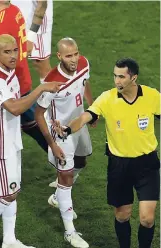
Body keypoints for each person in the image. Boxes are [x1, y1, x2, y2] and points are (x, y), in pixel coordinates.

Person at [53, 58, 160, 248]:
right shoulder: (107, 98)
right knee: (122, 215)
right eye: (115, 76)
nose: (116, 81)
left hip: (147, 164)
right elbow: (86, 117)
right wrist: (68, 129)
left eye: (121, 77)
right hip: (119, 165)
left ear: (133, 77)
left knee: (147, 218)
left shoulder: (152, 96)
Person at [0, 34, 63, 248]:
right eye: (7, 52)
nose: (13, 56)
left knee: (13, 189)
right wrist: (41, 88)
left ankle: (9, 240)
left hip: (11, 142)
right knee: (7, 194)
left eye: (15, 50)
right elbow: (15, 107)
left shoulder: (9, 71)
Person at [0, 0, 48, 190]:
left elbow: (10, 58)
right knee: (33, 125)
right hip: (17, 83)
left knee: (33, 127)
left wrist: (6, 85)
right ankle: (64, 160)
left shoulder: (1, 21)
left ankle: (64, 161)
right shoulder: (14, 11)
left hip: (11, 85)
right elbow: (23, 47)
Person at [35, 37, 94, 248]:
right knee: (66, 175)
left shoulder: (84, 63)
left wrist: (91, 107)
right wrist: (53, 144)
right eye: (69, 55)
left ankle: (56, 197)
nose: (74, 59)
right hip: (61, 131)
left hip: (79, 123)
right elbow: (39, 114)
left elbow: (84, 82)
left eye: (76, 53)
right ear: (59, 56)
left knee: (81, 162)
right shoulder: (51, 82)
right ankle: (70, 232)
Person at [11, 0, 53, 81]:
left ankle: (54, 93)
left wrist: (30, 37)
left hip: (36, 23)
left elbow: (42, 4)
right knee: (12, 59)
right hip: (17, 16)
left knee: (40, 64)